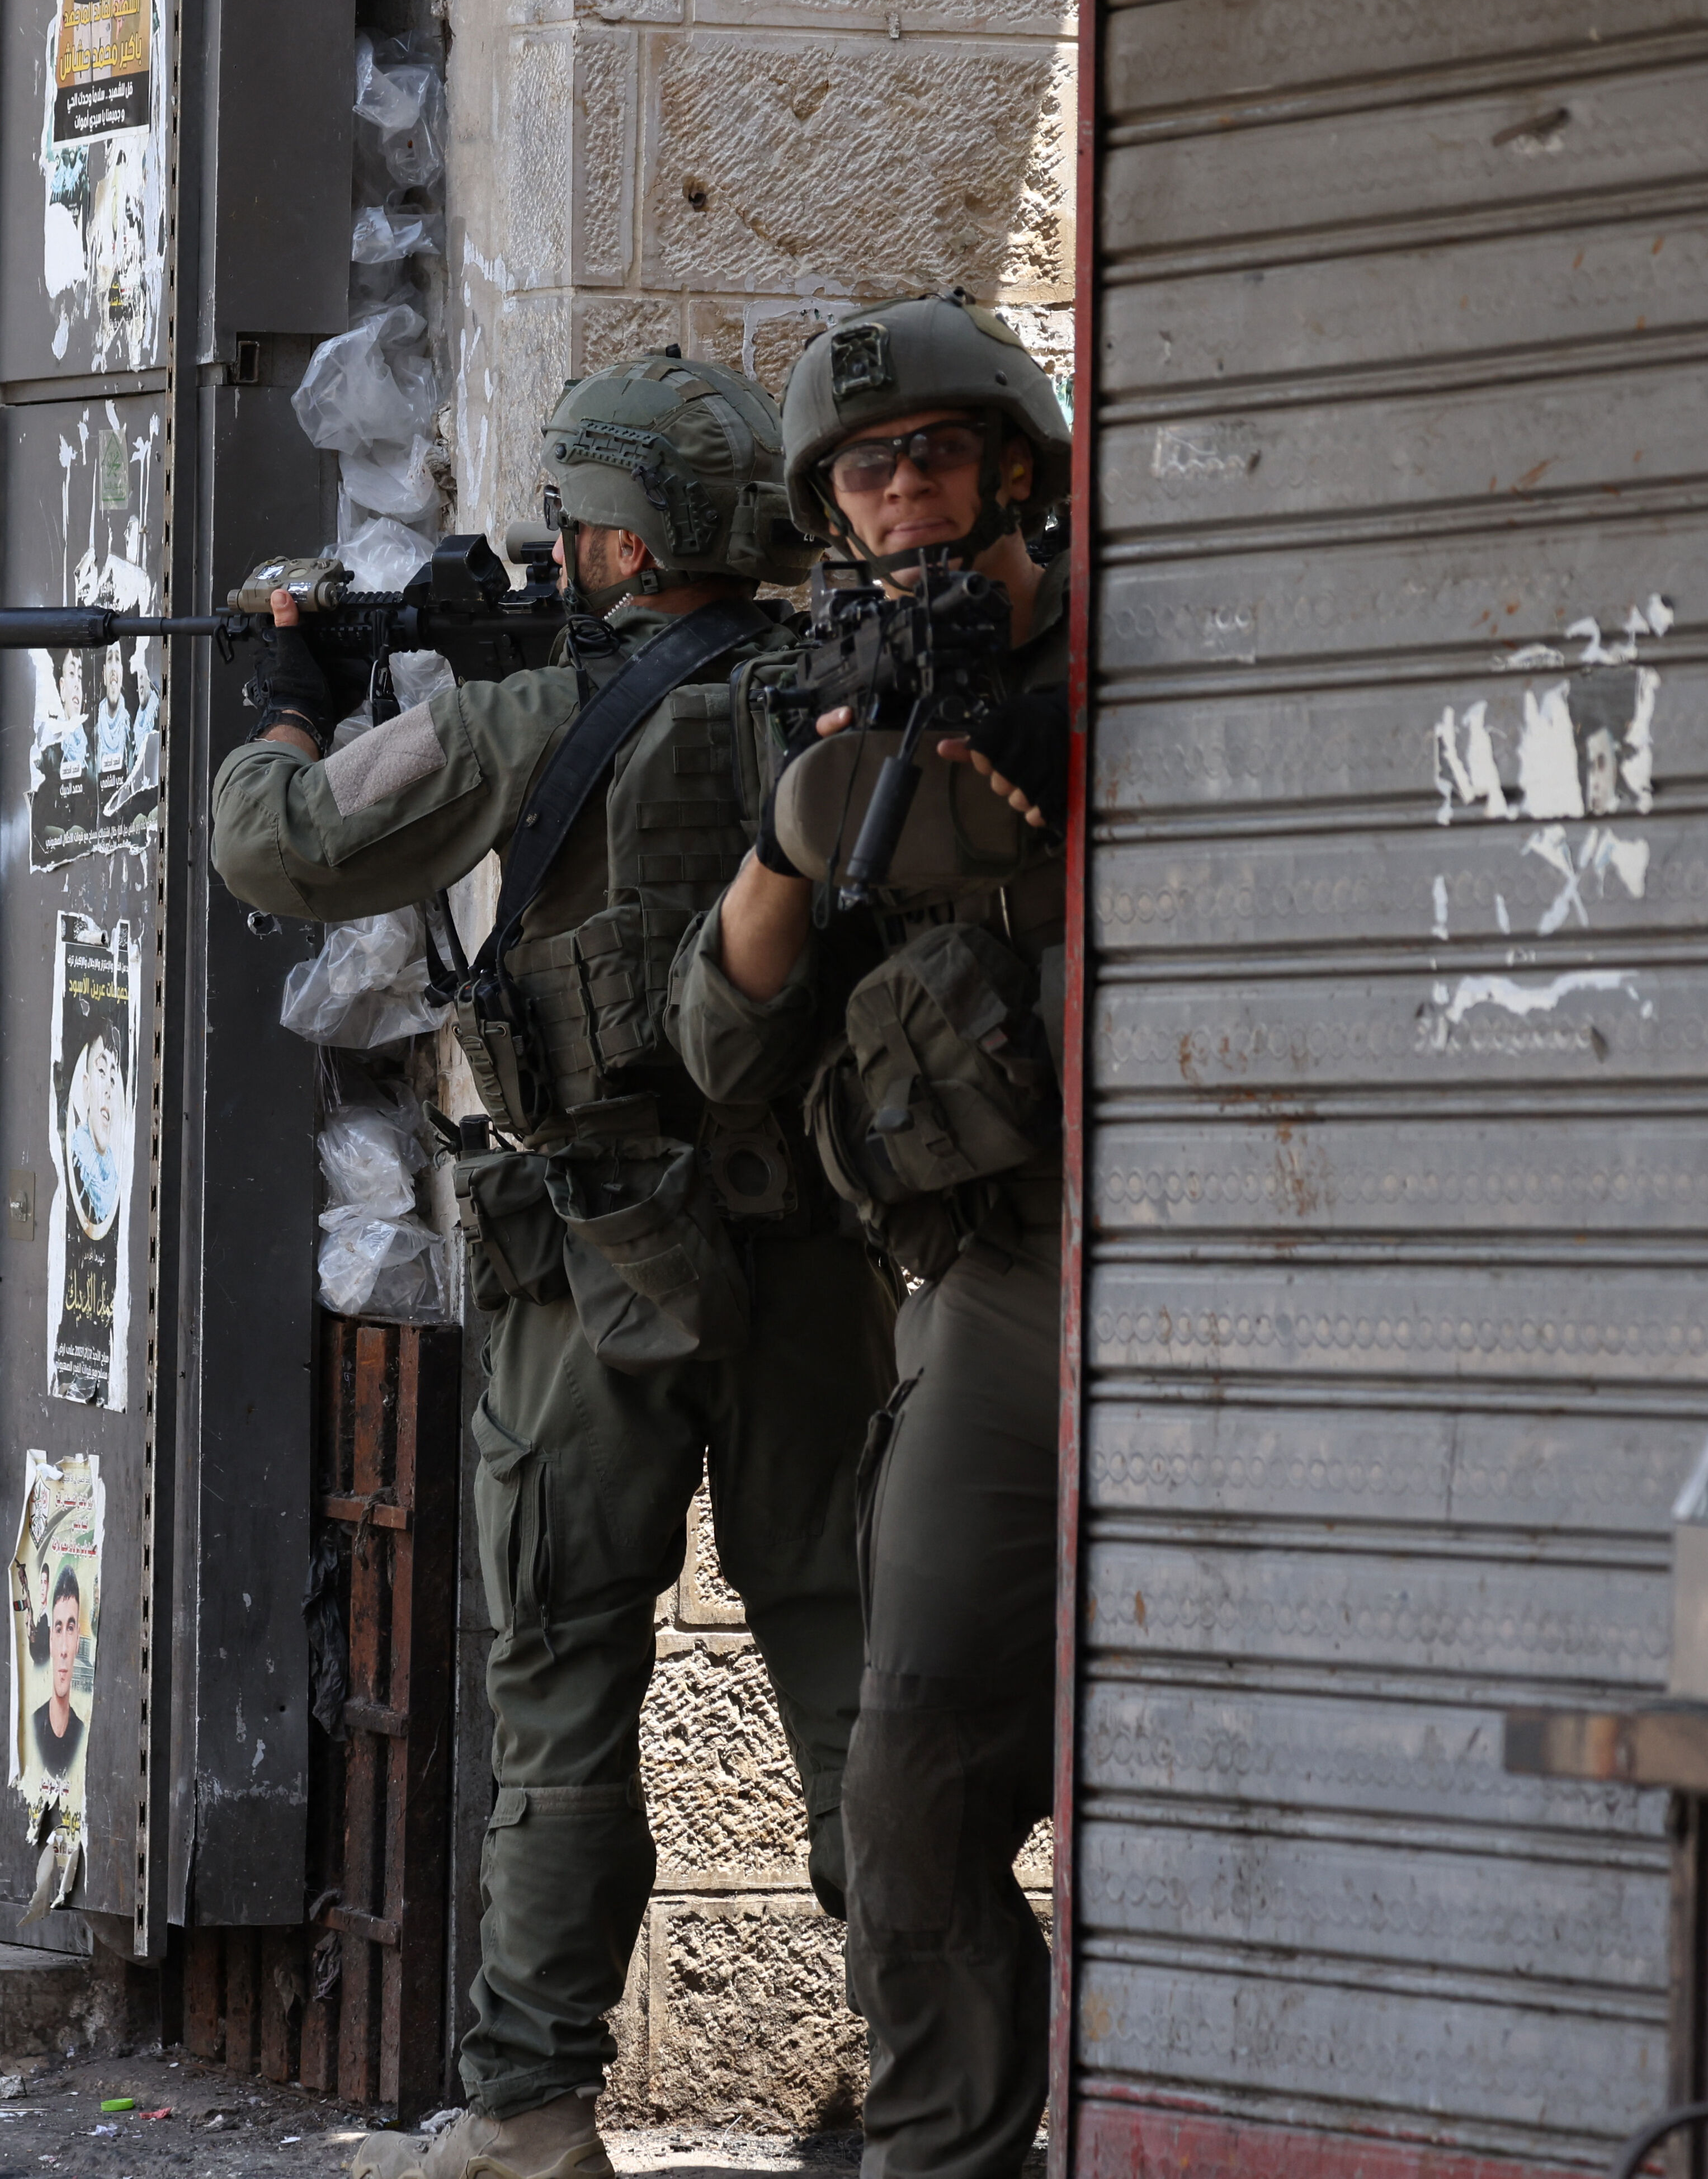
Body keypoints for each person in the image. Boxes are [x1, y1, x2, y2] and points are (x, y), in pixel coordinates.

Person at [213, 354, 894, 2179]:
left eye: (579, 518)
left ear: (624, 536)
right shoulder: (833, 696)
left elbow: (270, 846)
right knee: (853, 1669)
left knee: (565, 1694)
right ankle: (940, 2093)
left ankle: (526, 2112)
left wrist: (289, 699)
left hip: (587, 1268)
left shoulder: (518, 724)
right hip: (813, 1259)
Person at [671, 295, 1069, 2179]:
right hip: (1006, 1274)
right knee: (908, 1762)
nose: (900, 488)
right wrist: (794, 837)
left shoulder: (1124, 646)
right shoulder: (835, 697)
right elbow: (719, 1042)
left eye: (931, 451)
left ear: (1008, 466)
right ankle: (943, 2151)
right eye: (860, 467)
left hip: (1223, 1253)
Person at [31, 1570, 89, 1787]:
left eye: (70, 1629)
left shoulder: (83, 1734)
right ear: (50, 1641)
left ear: (78, 1641)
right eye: (58, 1629)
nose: (64, 1649)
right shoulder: (32, 1727)